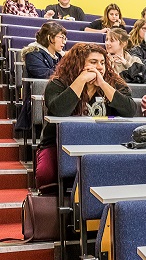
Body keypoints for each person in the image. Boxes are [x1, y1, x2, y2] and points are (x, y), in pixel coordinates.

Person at [36, 43, 136, 189]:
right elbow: (59, 111)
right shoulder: (58, 83)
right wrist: (81, 80)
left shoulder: (114, 83)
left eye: (102, 62)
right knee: (46, 174)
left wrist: (102, 84)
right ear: (78, 63)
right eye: (93, 62)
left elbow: (129, 110)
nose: (100, 67)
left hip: (102, 143)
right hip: (59, 144)